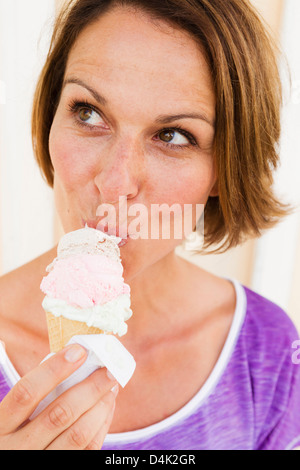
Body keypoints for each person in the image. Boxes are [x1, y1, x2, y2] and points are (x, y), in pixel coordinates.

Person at [0, 0, 299, 450]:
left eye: (173, 135)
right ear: (50, 117)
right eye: (88, 113)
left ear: (225, 168)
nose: (116, 183)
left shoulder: (268, 354)